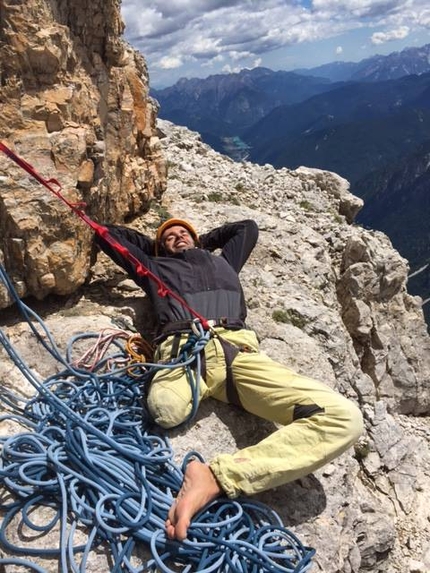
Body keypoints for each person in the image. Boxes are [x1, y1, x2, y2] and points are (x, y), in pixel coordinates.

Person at [95, 218, 363, 541]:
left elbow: (247, 228)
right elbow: (108, 235)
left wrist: (200, 244)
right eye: (169, 237)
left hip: (237, 352)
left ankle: (217, 476)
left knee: (345, 418)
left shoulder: (223, 263)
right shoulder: (153, 268)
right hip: (184, 352)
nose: (177, 237)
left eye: (183, 233)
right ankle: (212, 474)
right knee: (164, 410)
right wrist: (156, 248)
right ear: (158, 247)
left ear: (196, 239)